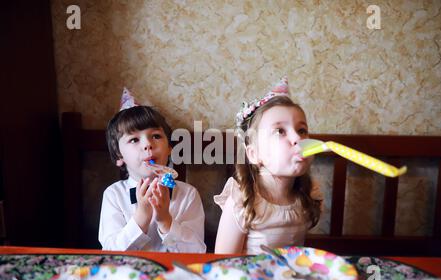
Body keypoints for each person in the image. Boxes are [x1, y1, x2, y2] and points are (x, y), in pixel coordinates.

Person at [214, 77, 323, 254]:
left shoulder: (309, 193)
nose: (297, 139)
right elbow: (222, 263)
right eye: (280, 131)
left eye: (302, 130)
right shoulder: (242, 201)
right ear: (254, 154)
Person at [99, 88, 206, 252]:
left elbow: (197, 252)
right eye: (134, 139)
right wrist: (141, 216)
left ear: (169, 147)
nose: (147, 144)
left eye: (156, 136)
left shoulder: (188, 194)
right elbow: (111, 252)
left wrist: (165, 220)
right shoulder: (113, 195)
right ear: (119, 156)